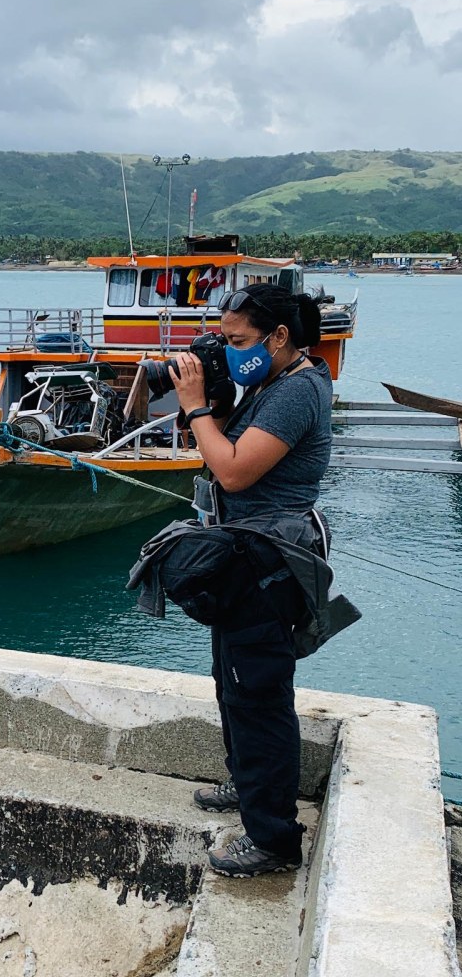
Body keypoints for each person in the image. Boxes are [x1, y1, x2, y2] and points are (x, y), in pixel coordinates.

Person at [168, 283, 332, 877]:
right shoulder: (269, 384)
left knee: (259, 695)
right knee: (231, 680)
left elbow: (234, 472)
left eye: (238, 341)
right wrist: (211, 395)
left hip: (269, 564)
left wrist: (194, 406)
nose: (232, 351)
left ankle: (273, 840)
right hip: (243, 557)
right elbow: (216, 452)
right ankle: (246, 782)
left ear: (279, 336)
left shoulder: (297, 392)